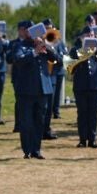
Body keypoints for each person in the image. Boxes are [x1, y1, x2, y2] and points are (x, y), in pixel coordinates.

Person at [9, 21, 57, 159]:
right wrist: (35, 52)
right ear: (27, 33)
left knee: (39, 121)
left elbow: (57, 60)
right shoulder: (20, 46)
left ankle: (36, 149)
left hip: (43, 90)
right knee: (26, 122)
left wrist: (47, 47)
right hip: (26, 90)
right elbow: (18, 60)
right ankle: (27, 150)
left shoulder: (43, 46)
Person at [69, 27, 97, 148]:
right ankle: (82, 139)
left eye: (92, 34)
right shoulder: (76, 49)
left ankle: (93, 139)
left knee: (94, 114)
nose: (90, 36)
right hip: (81, 86)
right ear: (82, 37)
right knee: (82, 113)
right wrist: (84, 49)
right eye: (87, 34)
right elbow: (71, 60)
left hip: (96, 85)